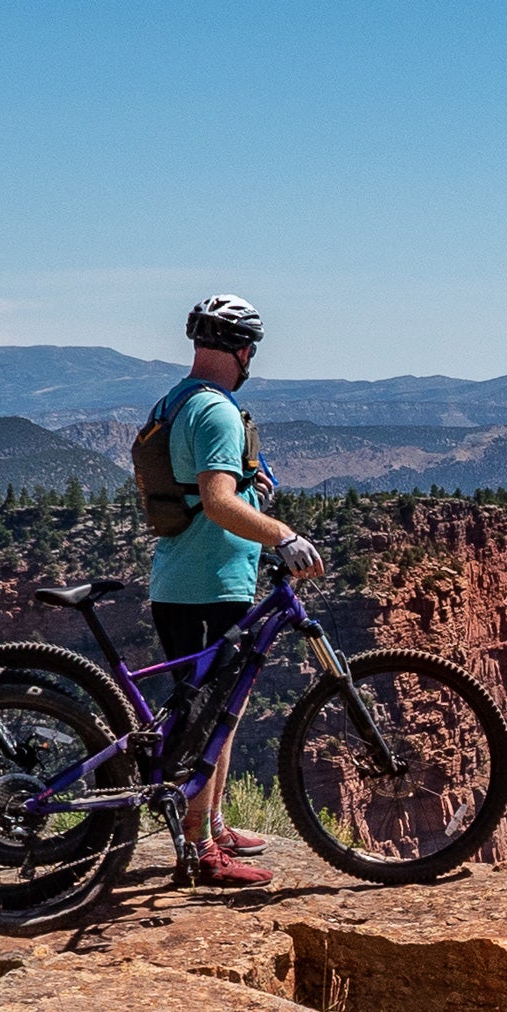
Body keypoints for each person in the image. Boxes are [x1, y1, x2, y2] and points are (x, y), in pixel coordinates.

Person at [151, 295, 326, 887]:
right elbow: (218, 501)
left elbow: (201, 488)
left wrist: (253, 483)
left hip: (191, 579)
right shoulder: (219, 413)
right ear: (244, 350)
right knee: (204, 719)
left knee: (222, 711)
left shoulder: (177, 400)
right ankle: (198, 849)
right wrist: (283, 536)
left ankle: (215, 824)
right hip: (204, 586)